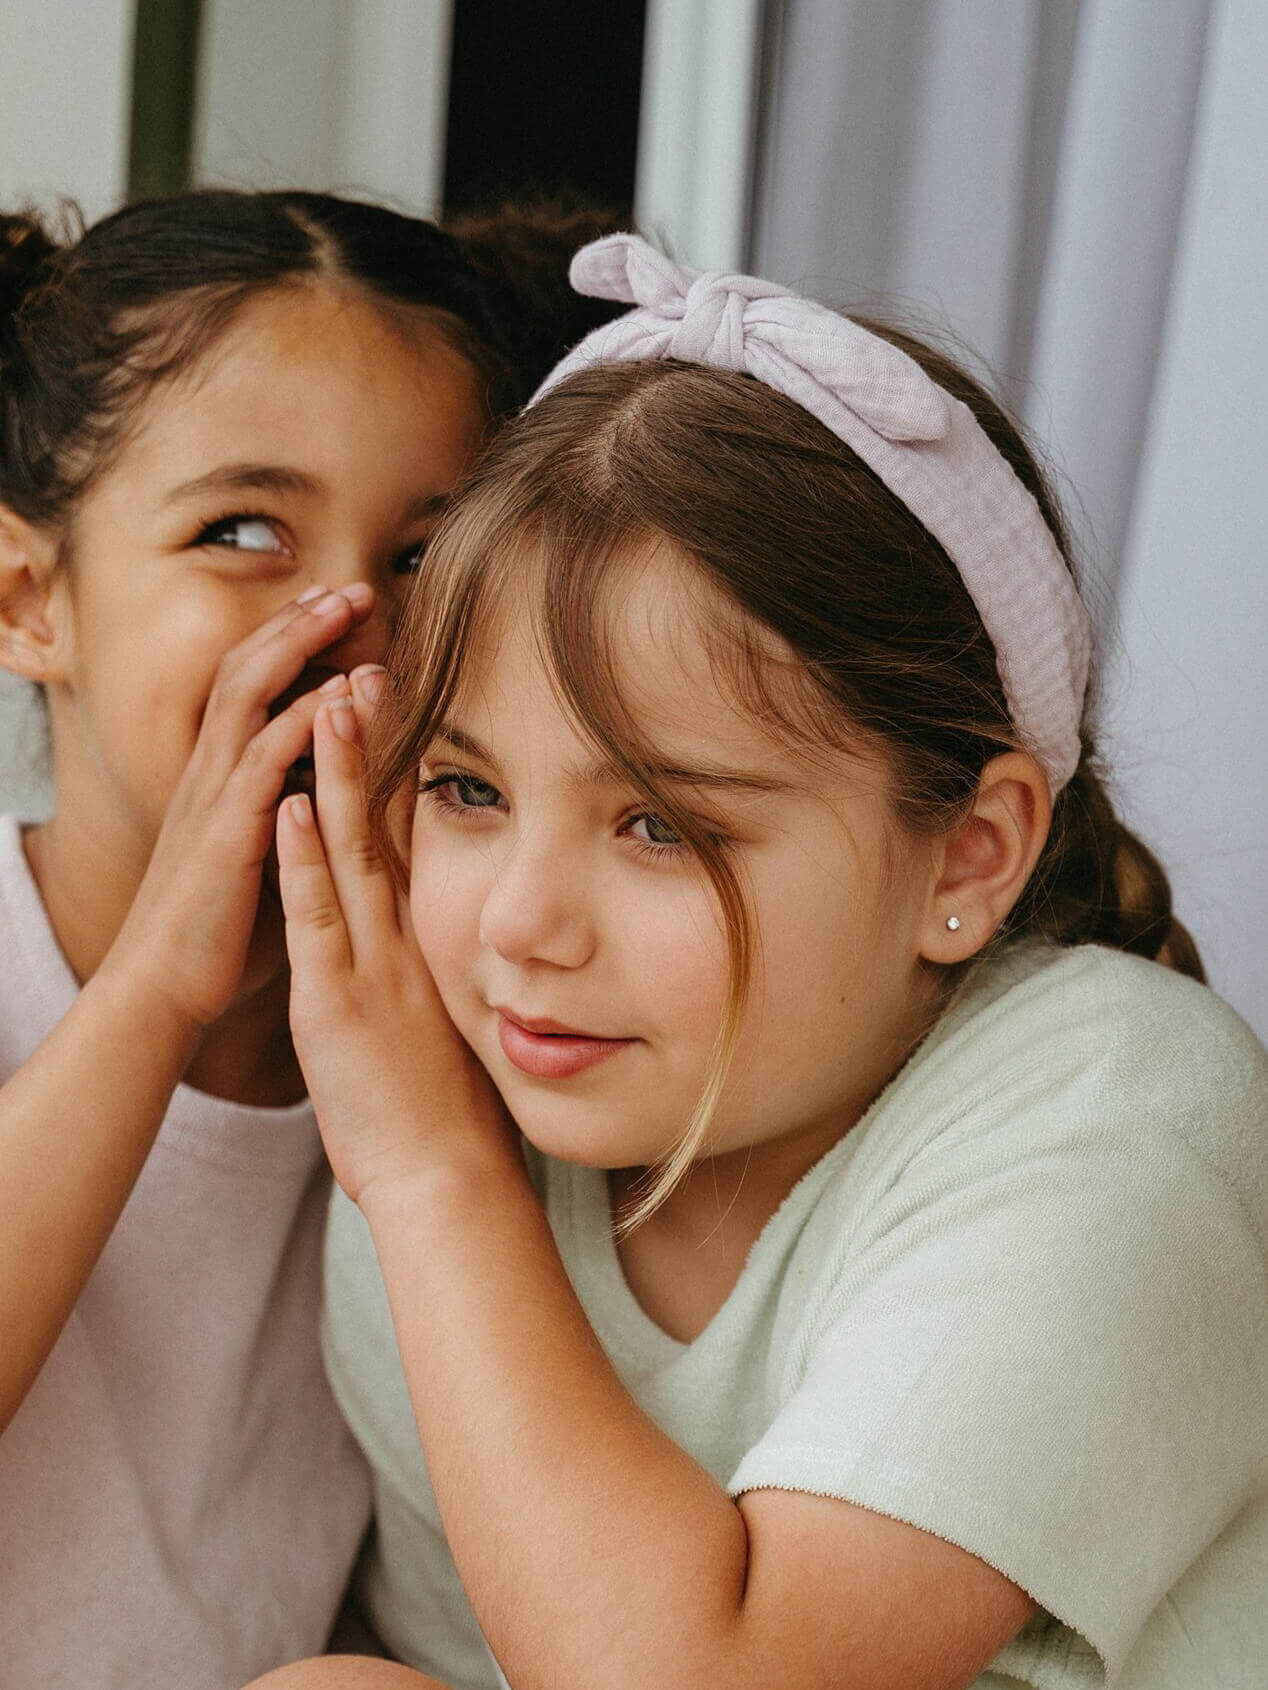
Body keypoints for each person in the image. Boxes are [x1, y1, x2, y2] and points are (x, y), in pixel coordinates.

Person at [258, 236, 1266, 1690]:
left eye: (659, 822)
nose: (521, 924)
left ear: (967, 858)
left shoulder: (1121, 1111)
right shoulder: (461, 1165)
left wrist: (431, 1182)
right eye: (469, 791)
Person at [0, 189, 622, 1689]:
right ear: (29, 599)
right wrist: (157, 985)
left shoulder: (499, 1017)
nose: (349, 617)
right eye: (240, 531)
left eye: (424, 553)